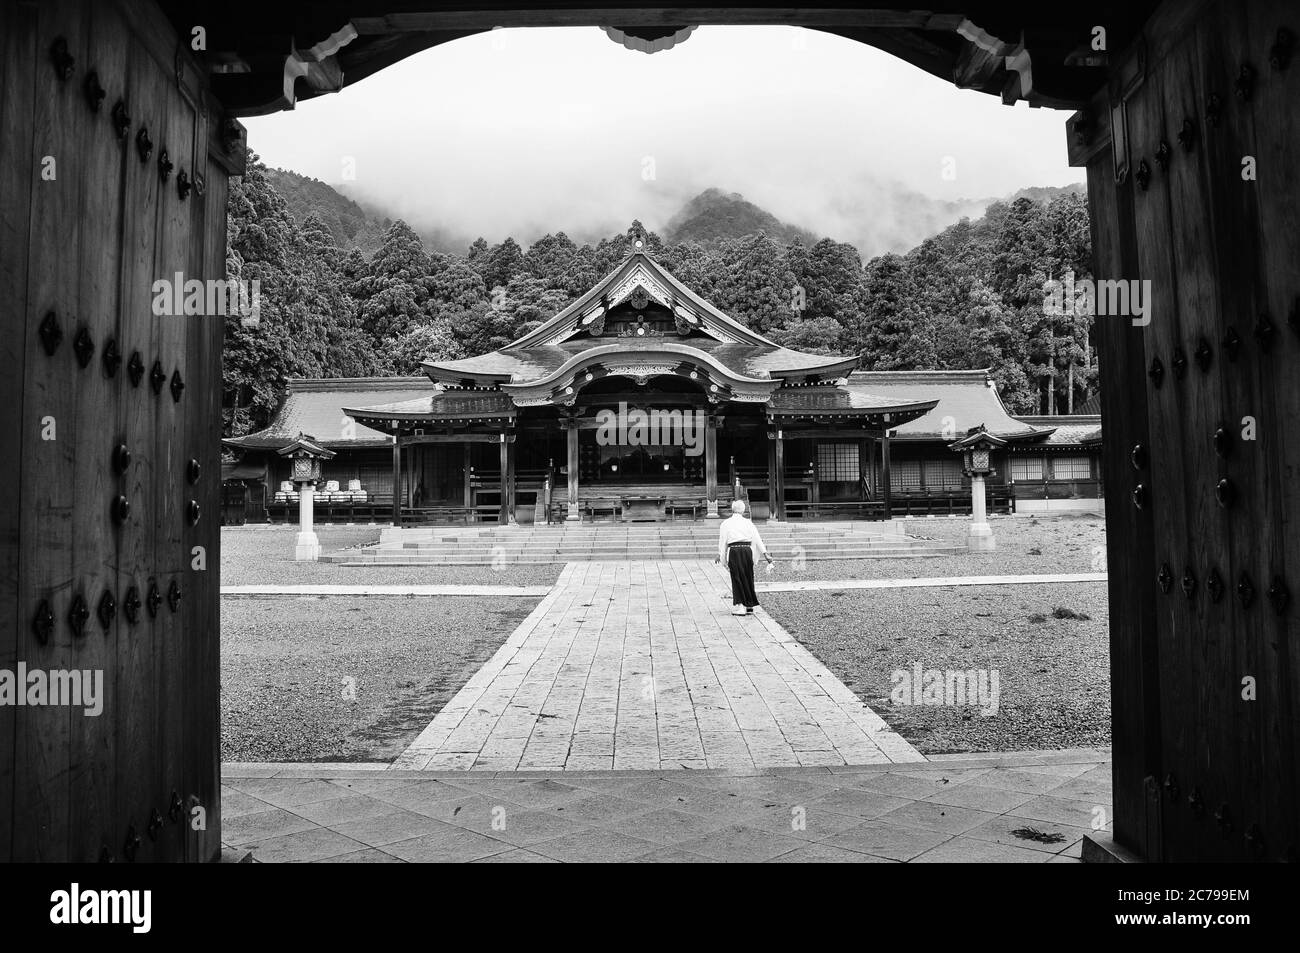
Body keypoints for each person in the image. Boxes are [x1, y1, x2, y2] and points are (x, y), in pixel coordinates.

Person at [716, 498, 773, 615]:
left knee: (737, 578)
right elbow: (757, 538)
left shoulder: (726, 523)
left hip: (735, 551)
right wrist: (765, 553)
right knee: (748, 577)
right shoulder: (748, 522)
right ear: (743, 510)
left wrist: (720, 554)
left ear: (732, 510)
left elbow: (723, 541)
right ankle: (749, 605)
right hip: (747, 551)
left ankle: (741, 606)